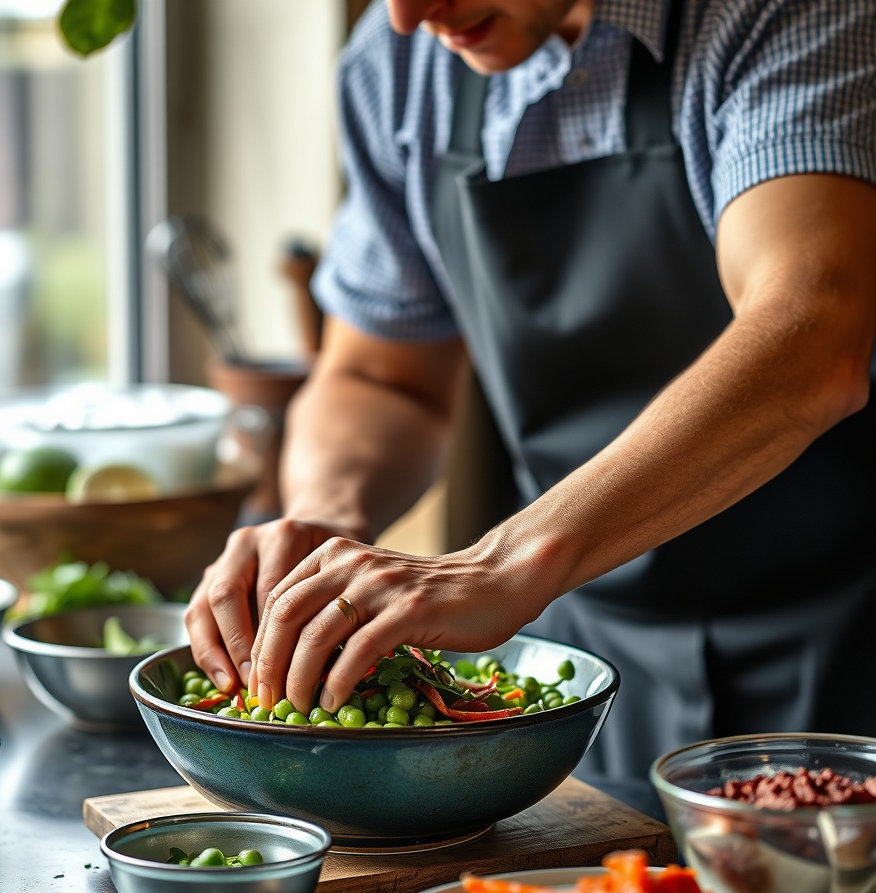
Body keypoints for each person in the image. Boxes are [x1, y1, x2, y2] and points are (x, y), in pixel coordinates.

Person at [185, 0, 876, 780]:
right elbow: (381, 374)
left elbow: (811, 329)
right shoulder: (396, 66)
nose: (410, 15)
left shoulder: (781, 13)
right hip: (585, 678)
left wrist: (502, 565)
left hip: (850, 647)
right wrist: (324, 523)